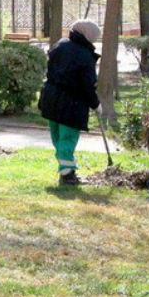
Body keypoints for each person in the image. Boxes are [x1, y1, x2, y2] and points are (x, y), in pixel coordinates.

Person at [37, 20, 102, 185]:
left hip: (51, 99)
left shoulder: (60, 45)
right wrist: (95, 104)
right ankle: (67, 175)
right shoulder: (84, 55)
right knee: (68, 138)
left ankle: (66, 170)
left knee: (57, 137)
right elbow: (87, 85)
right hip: (71, 104)